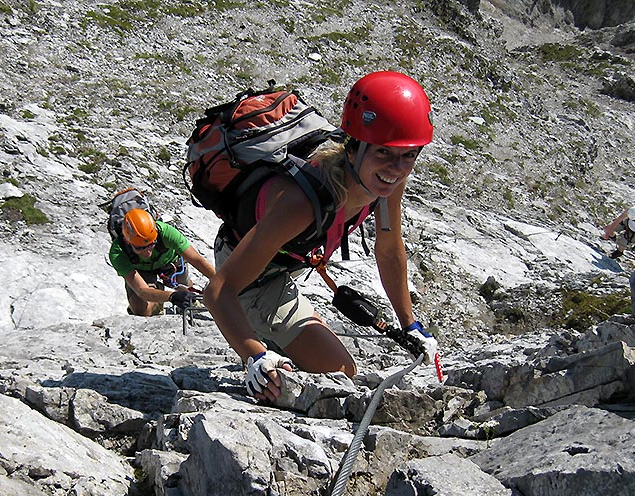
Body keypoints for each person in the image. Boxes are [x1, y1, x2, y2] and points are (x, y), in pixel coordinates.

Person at [203, 71, 439, 403]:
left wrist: (410, 324)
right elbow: (218, 290)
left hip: (283, 265)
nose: (396, 168)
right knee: (336, 372)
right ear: (353, 147)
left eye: (408, 155)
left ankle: (270, 334)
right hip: (248, 279)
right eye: (383, 153)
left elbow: (388, 249)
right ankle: (260, 335)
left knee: (337, 371)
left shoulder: (386, 185)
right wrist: (253, 356)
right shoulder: (301, 203)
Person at [109, 207, 216, 316]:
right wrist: (171, 296)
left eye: (152, 244)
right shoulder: (118, 253)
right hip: (141, 272)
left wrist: (222, 282)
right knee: (141, 310)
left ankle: (180, 290)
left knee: (184, 287)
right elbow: (142, 290)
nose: (148, 252)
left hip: (170, 263)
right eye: (140, 248)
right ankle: (157, 300)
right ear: (127, 241)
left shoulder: (166, 232)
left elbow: (196, 259)